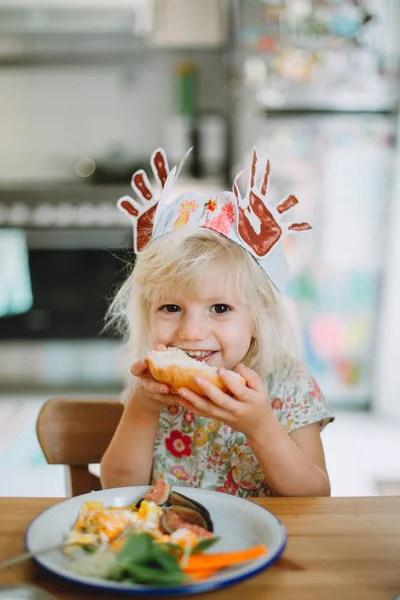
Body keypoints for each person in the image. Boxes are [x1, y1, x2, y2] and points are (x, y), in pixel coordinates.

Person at [100, 148, 334, 498]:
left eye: (220, 308)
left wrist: (260, 427)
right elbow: (117, 488)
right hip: (177, 547)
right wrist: (141, 408)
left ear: (258, 319)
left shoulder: (289, 382)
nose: (191, 332)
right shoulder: (152, 388)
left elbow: (315, 496)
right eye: (171, 307)